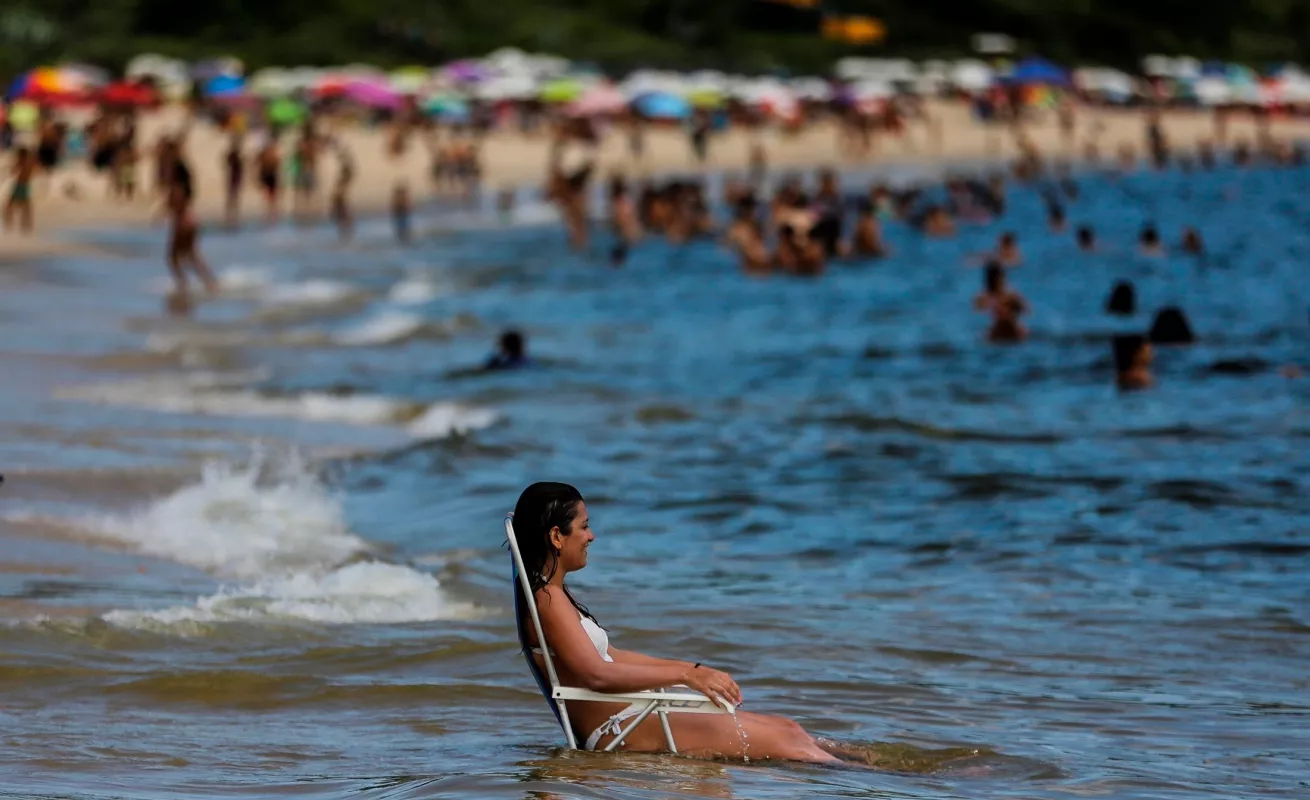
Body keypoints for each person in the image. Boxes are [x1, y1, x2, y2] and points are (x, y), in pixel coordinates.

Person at [511, 482, 843, 762]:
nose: (591, 536)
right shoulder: (549, 600)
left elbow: (610, 656)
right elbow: (596, 675)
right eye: (584, 526)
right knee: (793, 748)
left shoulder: (553, 595)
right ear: (557, 536)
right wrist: (686, 675)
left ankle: (878, 769)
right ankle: (879, 782)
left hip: (632, 716)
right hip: (620, 729)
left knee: (791, 730)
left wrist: (692, 670)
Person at [974, 262, 1027, 343]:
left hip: (1009, 330)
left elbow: (1024, 309)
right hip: (997, 331)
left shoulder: (1011, 296)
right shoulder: (984, 298)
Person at [3, 147, 37, 233]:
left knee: (11, 205)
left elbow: (14, 170)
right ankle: (26, 225)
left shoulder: (24, 162)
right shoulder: (29, 162)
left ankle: (10, 224)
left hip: (21, 185)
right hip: (23, 185)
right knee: (24, 206)